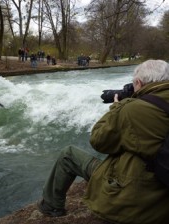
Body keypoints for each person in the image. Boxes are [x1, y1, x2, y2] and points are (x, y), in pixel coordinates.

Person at [37, 59, 169, 223]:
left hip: (134, 201)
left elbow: (99, 141)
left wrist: (117, 108)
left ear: (139, 82)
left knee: (68, 154)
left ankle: (51, 207)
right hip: (162, 194)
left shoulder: (131, 109)